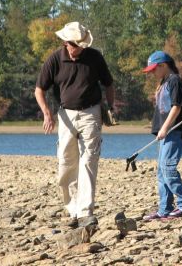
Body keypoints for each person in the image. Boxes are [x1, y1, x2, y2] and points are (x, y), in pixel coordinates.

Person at [34, 21, 115, 228]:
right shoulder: (54, 59)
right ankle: (72, 210)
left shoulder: (95, 57)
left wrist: (110, 108)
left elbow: (108, 84)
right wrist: (47, 114)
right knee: (65, 162)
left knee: (89, 160)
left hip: (91, 113)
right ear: (65, 42)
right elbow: (39, 89)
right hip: (65, 115)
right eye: (73, 44)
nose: (76, 48)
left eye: (79, 45)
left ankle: (86, 211)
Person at [141, 51, 182, 220]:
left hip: (174, 131)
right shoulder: (164, 82)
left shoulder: (175, 81)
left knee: (168, 168)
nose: (152, 74)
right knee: (161, 171)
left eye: (154, 70)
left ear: (163, 66)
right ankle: (164, 208)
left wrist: (164, 127)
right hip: (165, 133)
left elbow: (176, 107)